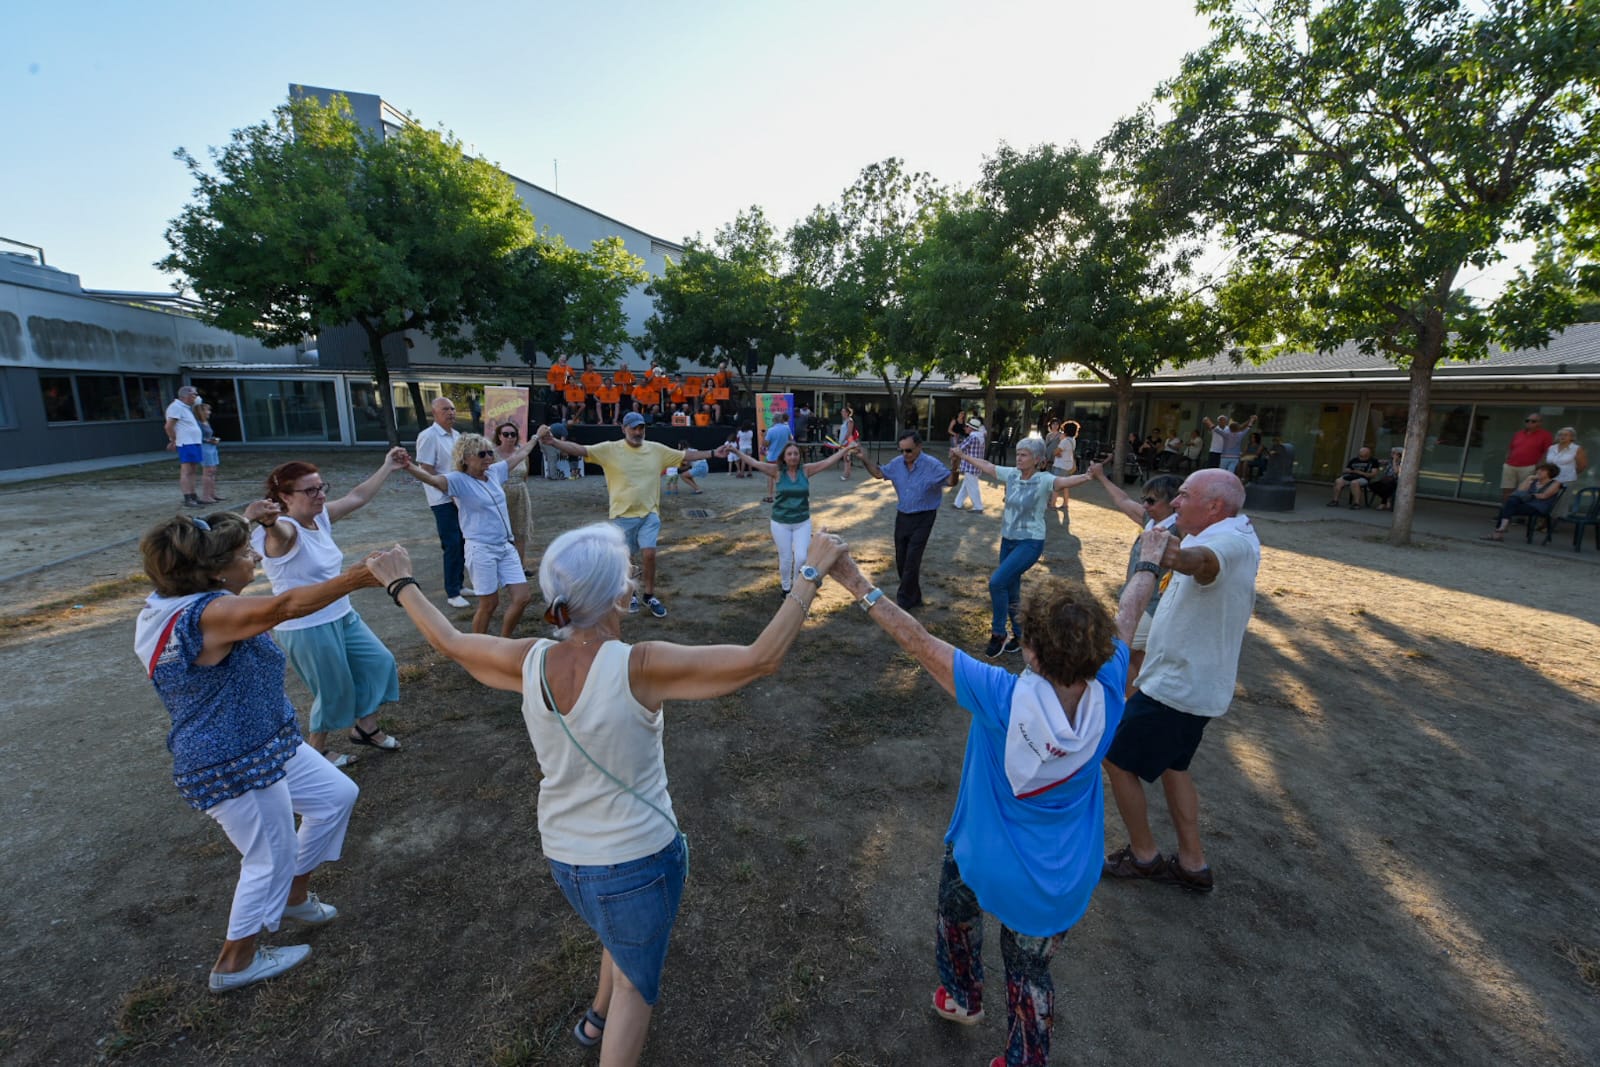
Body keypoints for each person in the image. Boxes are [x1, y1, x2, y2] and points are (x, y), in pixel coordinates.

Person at [364, 523, 847, 1066]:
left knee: (618, 938)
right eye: (629, 576)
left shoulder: (529, 658)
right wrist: (810, 573)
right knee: (636, 987)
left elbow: (451, 643)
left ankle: (596, 1016)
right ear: (620, 594)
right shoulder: (641, 664)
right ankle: (610, 1018)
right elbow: (760, 658)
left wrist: (402, 584)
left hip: (566, 856)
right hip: (636, 861)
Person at [824, 522, 1169, 1067]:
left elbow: (917, 641)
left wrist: (849, 575)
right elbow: (1130, 609)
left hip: (980, 855)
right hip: (1061, 879)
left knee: (955, 914)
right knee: (1031, 974)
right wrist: (1148, 562)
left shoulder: (1001, 696)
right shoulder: (1110, 684)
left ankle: (962, 997)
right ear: (1100, 649)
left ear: (1031, 653)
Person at [135, 509, 372, 993]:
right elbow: (284, 606)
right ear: (215, 572)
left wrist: (237, 524)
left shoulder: (177, 602)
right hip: (232, 759)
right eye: (246, 554)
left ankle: (294, 895)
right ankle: (234, 962)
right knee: (268, 857)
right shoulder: (207, 615)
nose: (256, 559)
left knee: (335, 797)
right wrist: (360, 577)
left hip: (267, 741)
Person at [1102, 468, 1260, 893]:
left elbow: (1203, 564)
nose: (1174, 501)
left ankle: (1144, 856)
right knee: (1174, 767)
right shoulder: (1215, 529)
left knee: (1114, 757)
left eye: (1184, 495)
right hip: (1187, 681)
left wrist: (1164, 556)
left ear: (1214, 506)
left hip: (1177, 687)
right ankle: (1192, 864)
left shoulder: (1228, 544)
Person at [255, 452, 409, 767]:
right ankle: (318, 751)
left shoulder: (319, 517)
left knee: (378, 663)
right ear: (285, 497)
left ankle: (365, 728)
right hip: (306, 625)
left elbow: (358, 496)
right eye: (310, 490)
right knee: (332, 690)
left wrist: (388, 466)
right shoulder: (283, 531)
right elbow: (280, 537)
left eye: (321, 487)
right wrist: (270, 523)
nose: (320, 494)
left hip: (342, 614)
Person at [538, 411, 728, 619]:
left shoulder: (656, 450)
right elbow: (581, 450)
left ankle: (649, 595)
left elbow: (685, 456)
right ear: (623, 428)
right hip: (622, 516)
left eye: (641, 428)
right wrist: (554, 442)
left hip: (649, 513)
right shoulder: (609, 449)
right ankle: (632, 594)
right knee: (628, 560)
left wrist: (712, 453)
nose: (638, 432)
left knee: (649, 554)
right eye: (633, 428)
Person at [951, 439, 1096, 657]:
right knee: (1011, 590)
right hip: (1008, 540)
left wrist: (1087, 476)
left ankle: (998, 633)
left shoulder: (1044, 480)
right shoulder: (1012, 475)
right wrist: (963, 456)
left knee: (997, 582)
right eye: (1018, 453)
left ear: (1037, 459)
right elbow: (988, 466)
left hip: (1030, 542)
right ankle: (1021, 636)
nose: (1018, 458)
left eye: (1024, 455)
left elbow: (1064, 481)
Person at [399, 432, 541, 636]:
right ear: (465, 458)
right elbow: (432, 479)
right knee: (489, 604)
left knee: (523, 597)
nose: (488, 457)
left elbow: (519, 455)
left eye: (490, 453)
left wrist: (536, 437)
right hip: (481, 549)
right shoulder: (458, 480)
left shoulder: (494, 472)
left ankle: (504, 641)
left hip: (505, 546)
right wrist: (408, 466)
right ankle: (477, 646)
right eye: (481, 454)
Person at [726, 437, 855, 597]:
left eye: (796, 453)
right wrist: (736, 451)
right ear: (784, 457)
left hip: (802, 522)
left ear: (799, 456)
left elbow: (827, 462)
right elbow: (754, 463)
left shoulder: (806, 470)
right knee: (786, 558)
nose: (793, 457)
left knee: (801, 557)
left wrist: (846, 449)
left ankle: (795, 587)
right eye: (789, 454)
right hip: (781, 523)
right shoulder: (777, 471)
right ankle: (785, 588)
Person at [1089, 465, 1181, 685]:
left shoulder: (1179, 531)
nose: (1145, 505)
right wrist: (1101, 477)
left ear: (1173, 503)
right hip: (1140, 605)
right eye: (1144, 500)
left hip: (1151, 609)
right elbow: (1122, 500)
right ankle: (1129, 700)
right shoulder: (1151, 520)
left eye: (1151, 501)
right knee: (1135, 661)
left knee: (1111, 654)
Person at [856, 430, 954, 610]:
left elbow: (951, 481)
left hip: (924, 517)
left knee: (912, 560)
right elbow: (878, 473)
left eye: (908, 450)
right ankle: (914, 597)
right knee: (901, 559)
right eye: (901, 450)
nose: (904, 454)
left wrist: (955, 466)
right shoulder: (897, 463)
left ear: (919, 447)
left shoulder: (932, 465)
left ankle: (903, 603)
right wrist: (865, 459)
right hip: (903, 516)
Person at [416, 397, 468, 608]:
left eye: (453, 409)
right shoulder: (429, 436)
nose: (451, 412)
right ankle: (452, 592)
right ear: (434, 413)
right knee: (452, 543)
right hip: (442, 499)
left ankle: (460, 584)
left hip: (460, 496)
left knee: (463, 541)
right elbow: (426, 469)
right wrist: (447, 490)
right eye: (445, 409)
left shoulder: (457, 436)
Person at [492, 421, 536, 573]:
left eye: (513, 434)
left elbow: (525, 475)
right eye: (506, 434)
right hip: (500, 495)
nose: (510, 437)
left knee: (520, 531)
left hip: (520, 495)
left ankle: (520, 567)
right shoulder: (491, 454)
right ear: (499, 436)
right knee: (500, 532)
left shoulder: (521, 453)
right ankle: (502, 567)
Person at [1483, 463, 1564, 541]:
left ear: (1550, 473)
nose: (1539, 472)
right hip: (1527, 504)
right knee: (1511, 501)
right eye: (1538, 470)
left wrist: (1530, 495)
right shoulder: (1534, 481)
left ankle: (1498, 533)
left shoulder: (1555, 483)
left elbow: (1544, 496)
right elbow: (1520, 491)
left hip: (1539, 507)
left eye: (1542, 470)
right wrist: (1528, 479)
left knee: (1506, 507)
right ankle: (1501, 529)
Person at [164, 384, 210, 508]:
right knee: (187, 470)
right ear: (187, 395)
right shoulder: (176, 407)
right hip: (186, 442)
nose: (196, 397)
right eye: (194, 394)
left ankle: (193, 495)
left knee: (193, 470)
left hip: (194, 442)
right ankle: (188, 497)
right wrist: (173, 439)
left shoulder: (186, 408)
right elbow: (169, 426)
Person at [1502, 412, 1554, 501]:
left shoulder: (1545, 435)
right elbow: (1511, 448)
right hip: (1510, 466)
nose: (1529, 422)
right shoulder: (1519, 433)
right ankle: (1505, 509)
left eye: (1533, 421)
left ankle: (1518, 509)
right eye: (1527, 420)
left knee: (1523, 491)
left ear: (1540, 423)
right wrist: (1507, 460)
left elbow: (1547, 452)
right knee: (1506, 490)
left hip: (1529, 467)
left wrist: (1538, 467)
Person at [951, 417, 988, 512]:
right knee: (966, 486)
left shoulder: (972, 437)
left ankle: (978, 507)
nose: (966, 428)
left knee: (972, 487)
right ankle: (958, 503)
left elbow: (960, 449)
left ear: (971, 428)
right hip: (977, 465)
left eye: (967, 426)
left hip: (970, 466)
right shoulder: (980, 437)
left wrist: (953, 449)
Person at [195, 402, 225, 503]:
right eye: (207, 410)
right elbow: (198, 437)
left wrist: (213, 439)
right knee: (208, 472)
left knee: (213, 471)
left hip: (212, 448)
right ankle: (206, 496)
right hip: (205, 448)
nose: (209, 412)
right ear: (201, 411)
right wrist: (209, 440)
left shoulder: (206, 422)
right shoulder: (198, 424)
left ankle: (212, 494)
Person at [760, 413, 793, 503]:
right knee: (784, 476)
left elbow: (765, 444)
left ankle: (770, 496)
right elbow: (791, 440)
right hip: (784, 457)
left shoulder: (771, 430)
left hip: (772, 457)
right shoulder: (786, 428)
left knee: (770, 477)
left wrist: (763, 436)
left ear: (773, 420)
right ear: (782, 419)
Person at [1049, 420, 1079, 509]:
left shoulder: (1064, 441)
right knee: (1066, 486)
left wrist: (1060, 441)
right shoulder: (1073, 440)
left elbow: (1055, 452)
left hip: (1060, 466)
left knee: (1056, 486)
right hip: (1068, 466)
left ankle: (1052, 504)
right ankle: (1065, 503)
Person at [838, 406, 859, 480]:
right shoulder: (845, 421)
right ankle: (847, 473)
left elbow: (849, 432)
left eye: (843, 411)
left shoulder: (850, 421)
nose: (842, 413)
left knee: (846, 458)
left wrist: (843, 441)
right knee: (845, 458)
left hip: (847, 442)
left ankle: (846, 474)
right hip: (843, 441)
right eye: (841, 411)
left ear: (847, 413)